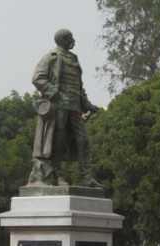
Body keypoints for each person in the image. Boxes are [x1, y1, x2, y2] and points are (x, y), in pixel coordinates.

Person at [27, 29, 102, 187]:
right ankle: (58, 175)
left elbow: (78, 86)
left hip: (75, 106)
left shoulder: (74, 59)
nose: (73, 40)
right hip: (59, 106)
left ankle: (87, 177)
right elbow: (37, 77)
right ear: (64, 39)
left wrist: (87, 104)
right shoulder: (51, 57)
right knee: (58, 141)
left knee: (83, 140)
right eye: (70, 38)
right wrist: (53, 92)